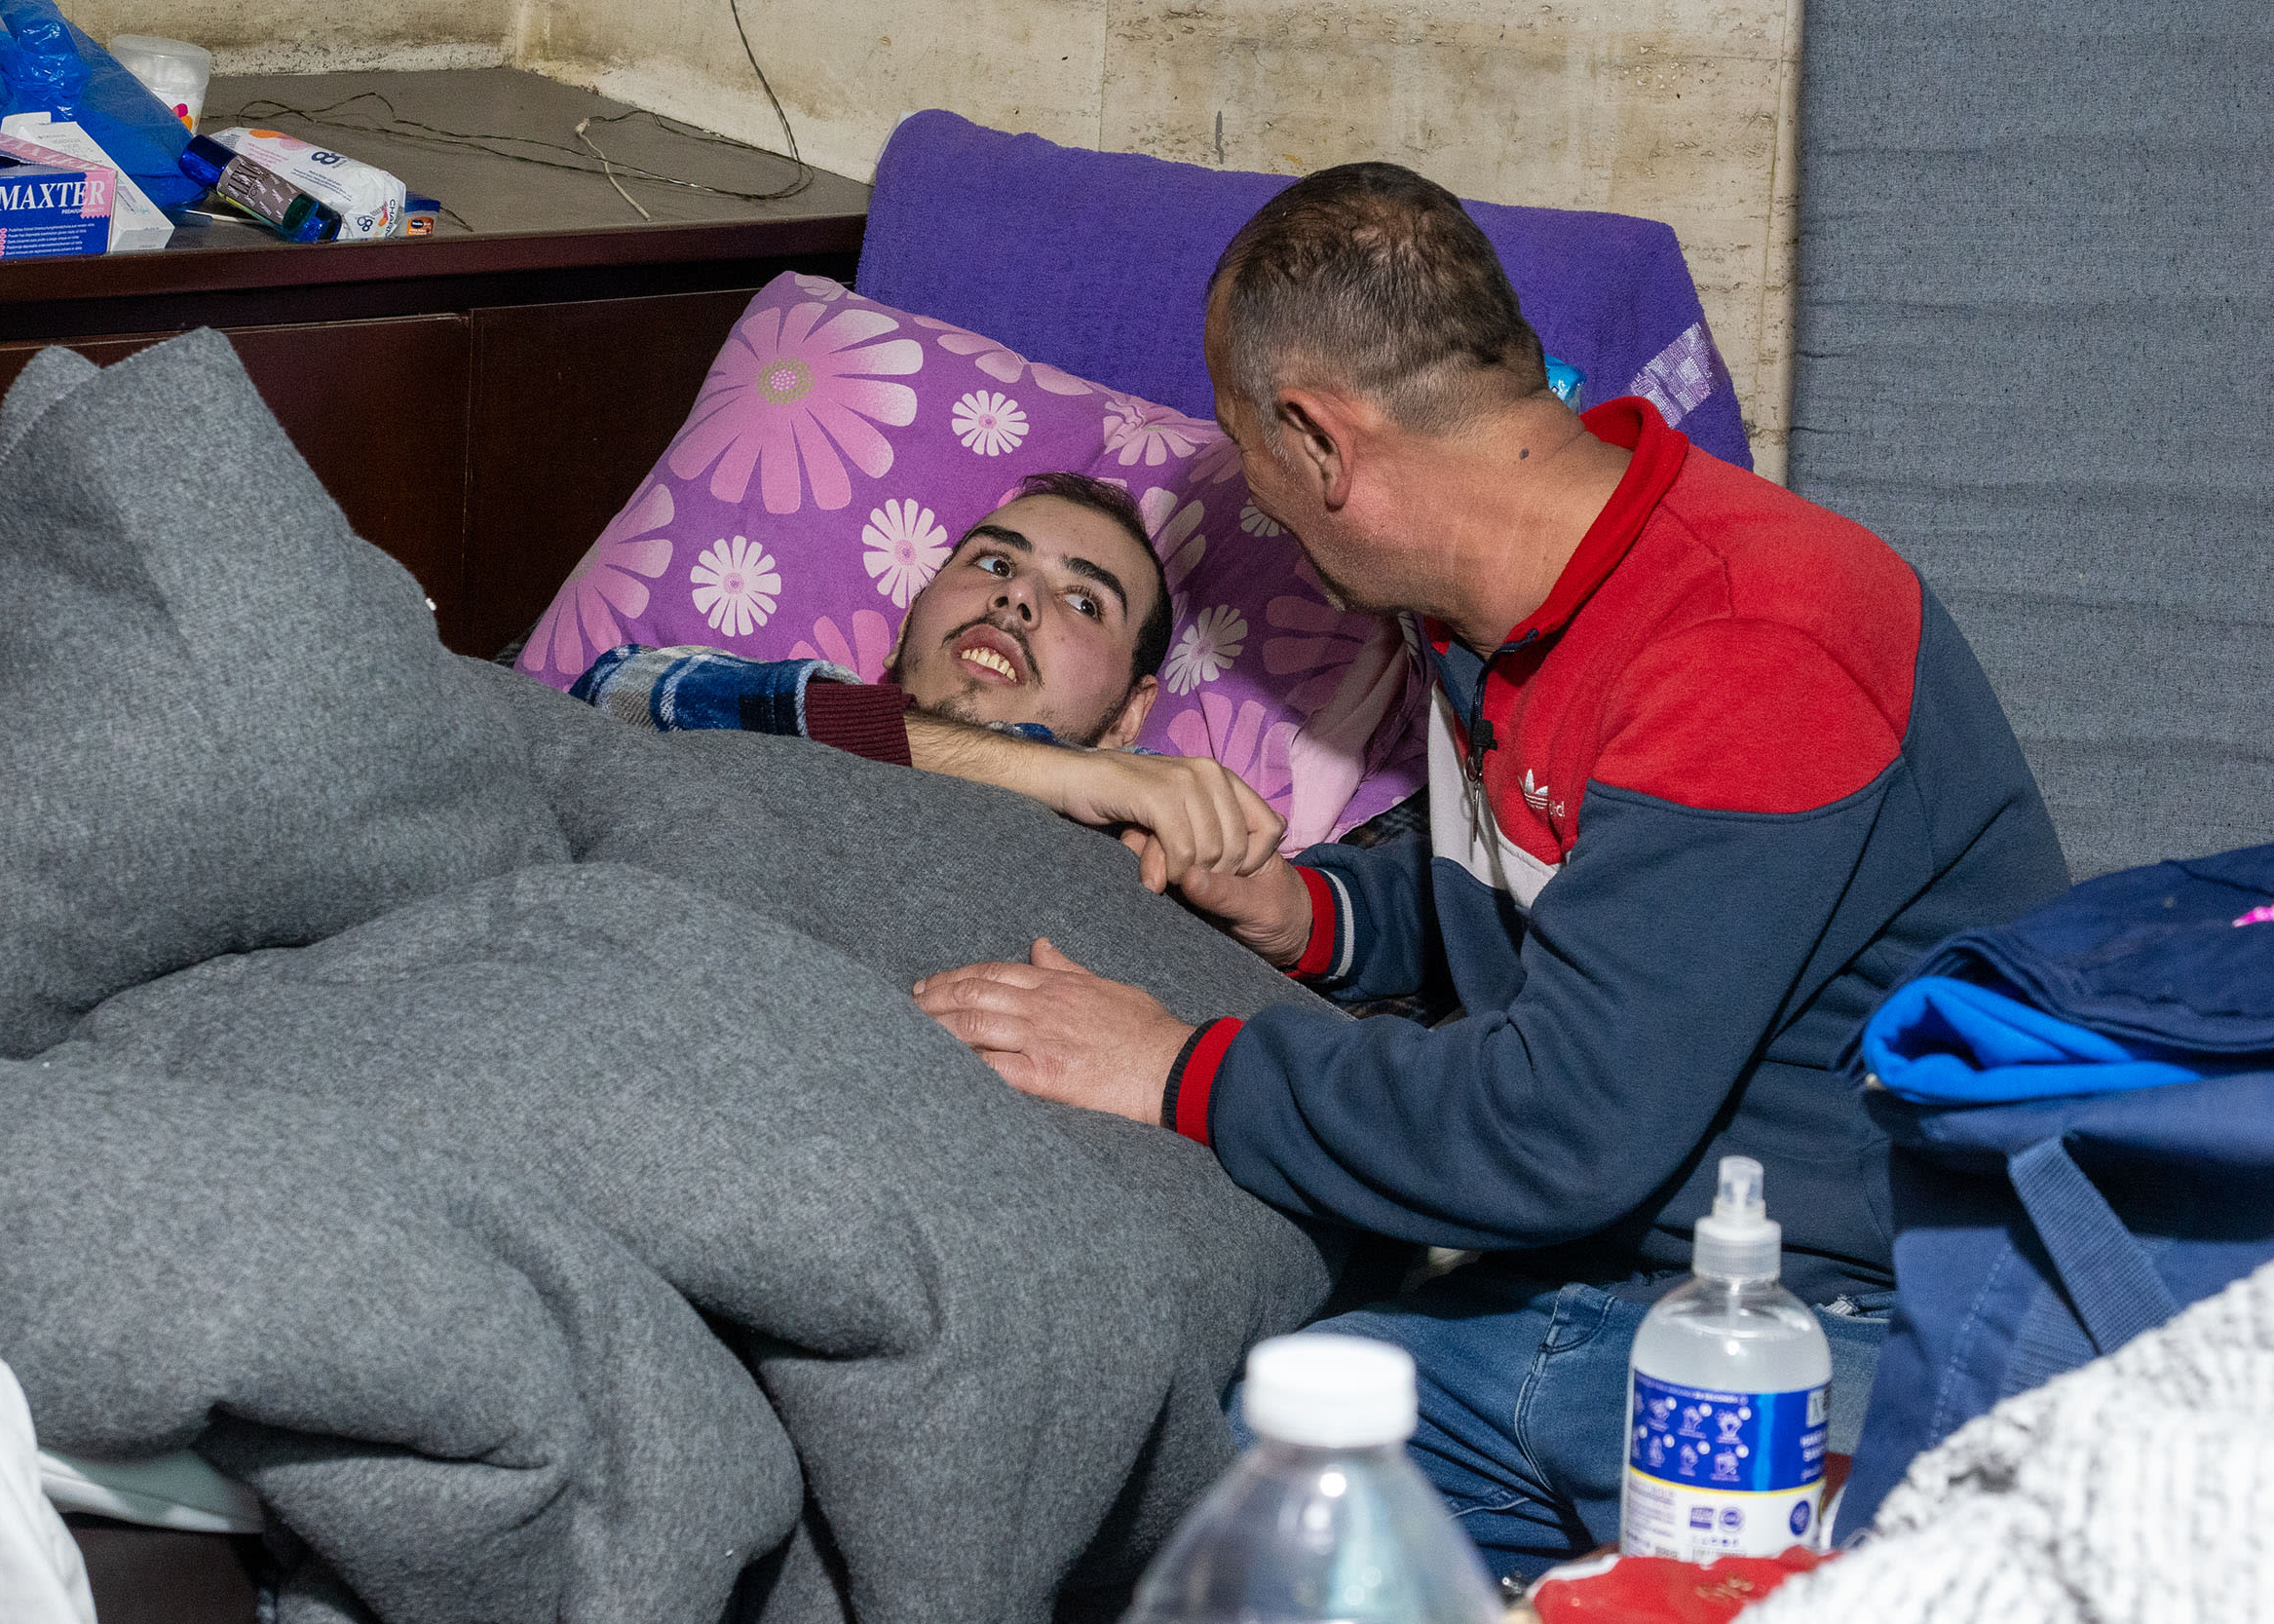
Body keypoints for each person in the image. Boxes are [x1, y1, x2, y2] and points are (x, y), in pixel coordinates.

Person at [912, 164, 2071, 1577]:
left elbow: (1562, 1125)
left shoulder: (1759, 637)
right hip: (1580, 1308)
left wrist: (1176, 1066)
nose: (1264, 515)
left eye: (1252, 456)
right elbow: (1554, 890)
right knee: (1224, 1485)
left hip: (1823, 1323)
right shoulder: (1493, 600)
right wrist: (1315, 910)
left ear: (1319, 442)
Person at [570, 470, 1283, 893]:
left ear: (1132, 712)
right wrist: (1054, 772)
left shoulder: (1156, 807)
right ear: (913, 613)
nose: (1016, 599)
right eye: (996, 565)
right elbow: (610, 690)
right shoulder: (764, 703)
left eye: (1083, 600)